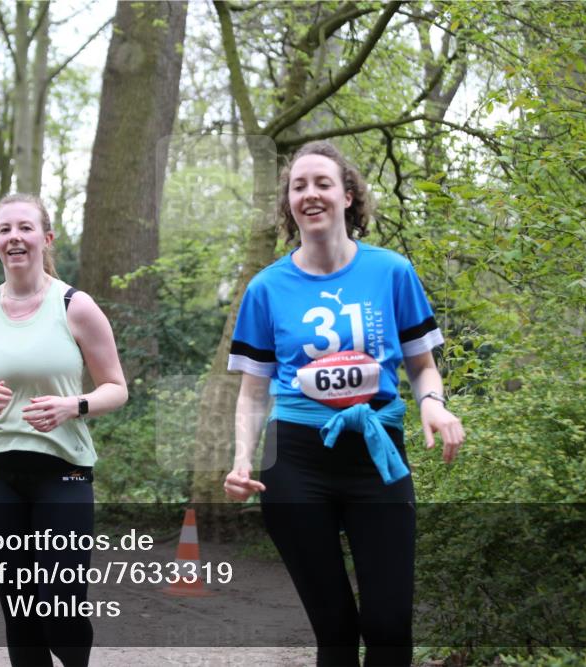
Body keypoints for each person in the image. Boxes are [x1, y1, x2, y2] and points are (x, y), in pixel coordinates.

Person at [223, 141, 465, 667]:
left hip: (376, 452)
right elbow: (253, 392)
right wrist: (243, 458)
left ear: (349, 195)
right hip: (295, 460)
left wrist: (432, 404)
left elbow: (423, 366)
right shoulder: (265, 289)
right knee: (334, 630)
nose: (310, 194)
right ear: (289, 203)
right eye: (298, 186)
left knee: (388, 625)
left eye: (322, 183)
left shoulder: (392, 272)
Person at [0, 193, 128, 667]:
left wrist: (74, 405)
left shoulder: (75, 306)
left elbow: (117, 388)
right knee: (19, 611)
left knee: (60, 607)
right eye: (5, 230)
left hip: (62, 473)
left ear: (46, 239)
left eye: (25, 228)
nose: (14, 238)